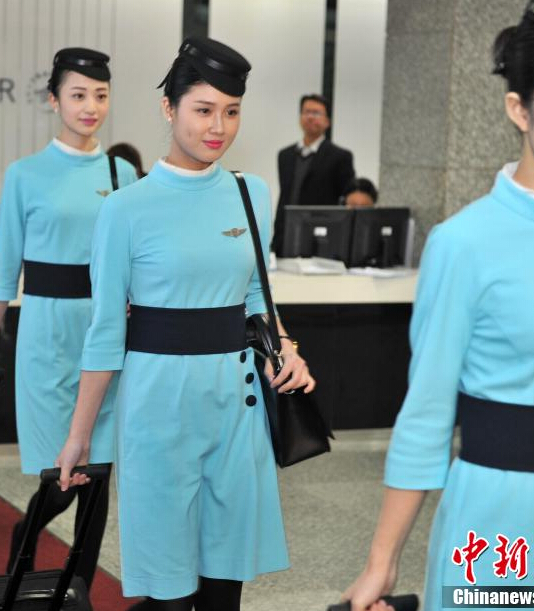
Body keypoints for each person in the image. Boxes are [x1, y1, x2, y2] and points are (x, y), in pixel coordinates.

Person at [341, 2, 534, 609]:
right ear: (520, 109)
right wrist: (381, 564)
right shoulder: (465, 244)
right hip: (508, 529)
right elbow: (426, 415)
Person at [55, 37, 316, 611]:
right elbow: (105, 331)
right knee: (171, 592)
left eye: (231, 111)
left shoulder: (252, 193)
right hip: (157, 409)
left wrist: (286, 348)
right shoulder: (125, 209)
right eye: (203, 109)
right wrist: (79, 435)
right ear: (169, 109)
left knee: (225, 589)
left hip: (237, 406)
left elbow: (255, 293)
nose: (218, 126)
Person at [0, 48, 138, 590]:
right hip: (45, 339)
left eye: (101, 95)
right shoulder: (25, 174)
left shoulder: (122, 171)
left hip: (107, 337)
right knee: (60, 477)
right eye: (78, 94)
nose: (91, 106)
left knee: (99, 477)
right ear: (54, 100)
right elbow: (4, 270)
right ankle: (27, 540)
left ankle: (79, 592)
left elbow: (137, 258)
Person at [272, 93, 355, 255]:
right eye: (306, 112)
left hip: (320, 237)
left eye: (316, 113)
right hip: (286, 235)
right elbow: (285, 196)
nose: (310, 117)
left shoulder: (340, 157)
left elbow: (346, 201)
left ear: (327, 121)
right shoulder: (285, 155)